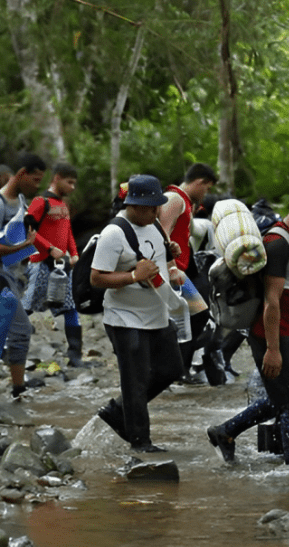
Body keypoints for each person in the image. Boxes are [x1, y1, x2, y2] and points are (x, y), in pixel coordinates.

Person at [206, 178, 289, 468]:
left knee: (285, 397)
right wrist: (273, 349)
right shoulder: (278, 243)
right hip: (276, 332)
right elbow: (271, 301)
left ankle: (225, 432)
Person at [91, 174, 185, 452]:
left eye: (158, 207)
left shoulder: (154, 223)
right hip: (124, 317)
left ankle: (118, 411)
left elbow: (155, 256)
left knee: (172, 368)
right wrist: (133, 275)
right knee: (136, 378)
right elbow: (97, 278)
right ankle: (140, 441)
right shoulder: (114, 233)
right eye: (151, 208)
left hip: (157, 313)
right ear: (134, 205)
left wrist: (171, 256)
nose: (156, 212)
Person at [0, 153, 45, 399]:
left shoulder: (19, 200)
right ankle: (17, 390)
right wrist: (21, 247)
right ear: (21, 174)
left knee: (0, 334)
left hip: (14, 277)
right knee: (20, 330)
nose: (37, 186)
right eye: (35, 180)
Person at [20, 162, 92, 367]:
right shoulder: (40, 201)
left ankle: (75, 354)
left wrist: (74, 253)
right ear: (57, 178)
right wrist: (49, 248)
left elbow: (67, 231)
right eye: (69, 182)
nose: (72, 187)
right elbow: (29, 227)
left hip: (62, 265)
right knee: (27, 306)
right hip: (41, 263)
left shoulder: (63, 206)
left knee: (70, 308)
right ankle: (9, 345)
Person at [159, 163, 218, 378]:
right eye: (207, 188)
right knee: (193, 315)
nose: (206, 193)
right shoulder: (174, 199)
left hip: (181, 271)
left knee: (198, 315)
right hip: (170, 272)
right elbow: (161, 233)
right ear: (200, 182)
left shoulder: (185, 202)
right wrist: (170, 268)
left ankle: (179, 369)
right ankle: (174, 370)